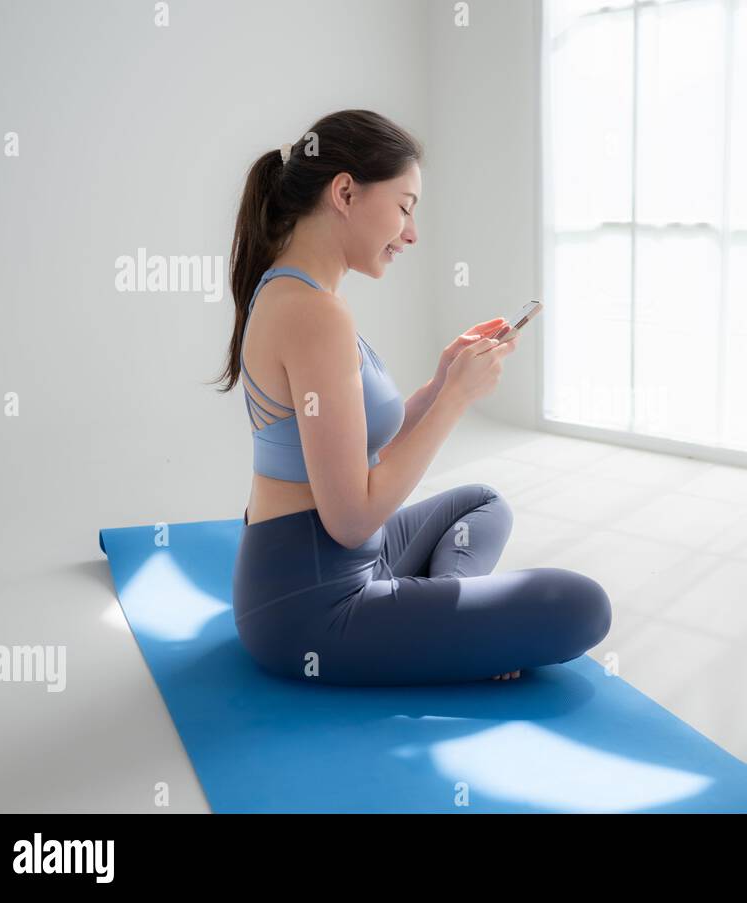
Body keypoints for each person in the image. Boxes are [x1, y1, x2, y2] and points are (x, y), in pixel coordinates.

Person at [208, 110, 611, 686]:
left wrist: (444, 382)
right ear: (345, 192)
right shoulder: (313, 314)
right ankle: (445, 624)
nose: (412, 232)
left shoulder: (301, 294)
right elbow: (350, 519)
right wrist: (455, 404)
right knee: (582, 604)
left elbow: (354, 446)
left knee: (483, 503)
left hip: (342, 567)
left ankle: (436, 613)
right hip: (310, 610)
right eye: (404, 206)